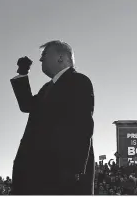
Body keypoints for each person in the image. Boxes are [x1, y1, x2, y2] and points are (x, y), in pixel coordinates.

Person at [10, 40, 95, 195]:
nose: (40, 59)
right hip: (38, 170)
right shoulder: (46, 88)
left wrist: (75, 169)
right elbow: (27, 105)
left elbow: (83, 125)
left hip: (61, 173)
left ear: (60, 58)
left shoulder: (79, 81)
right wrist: (22, 74)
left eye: (44, 55)